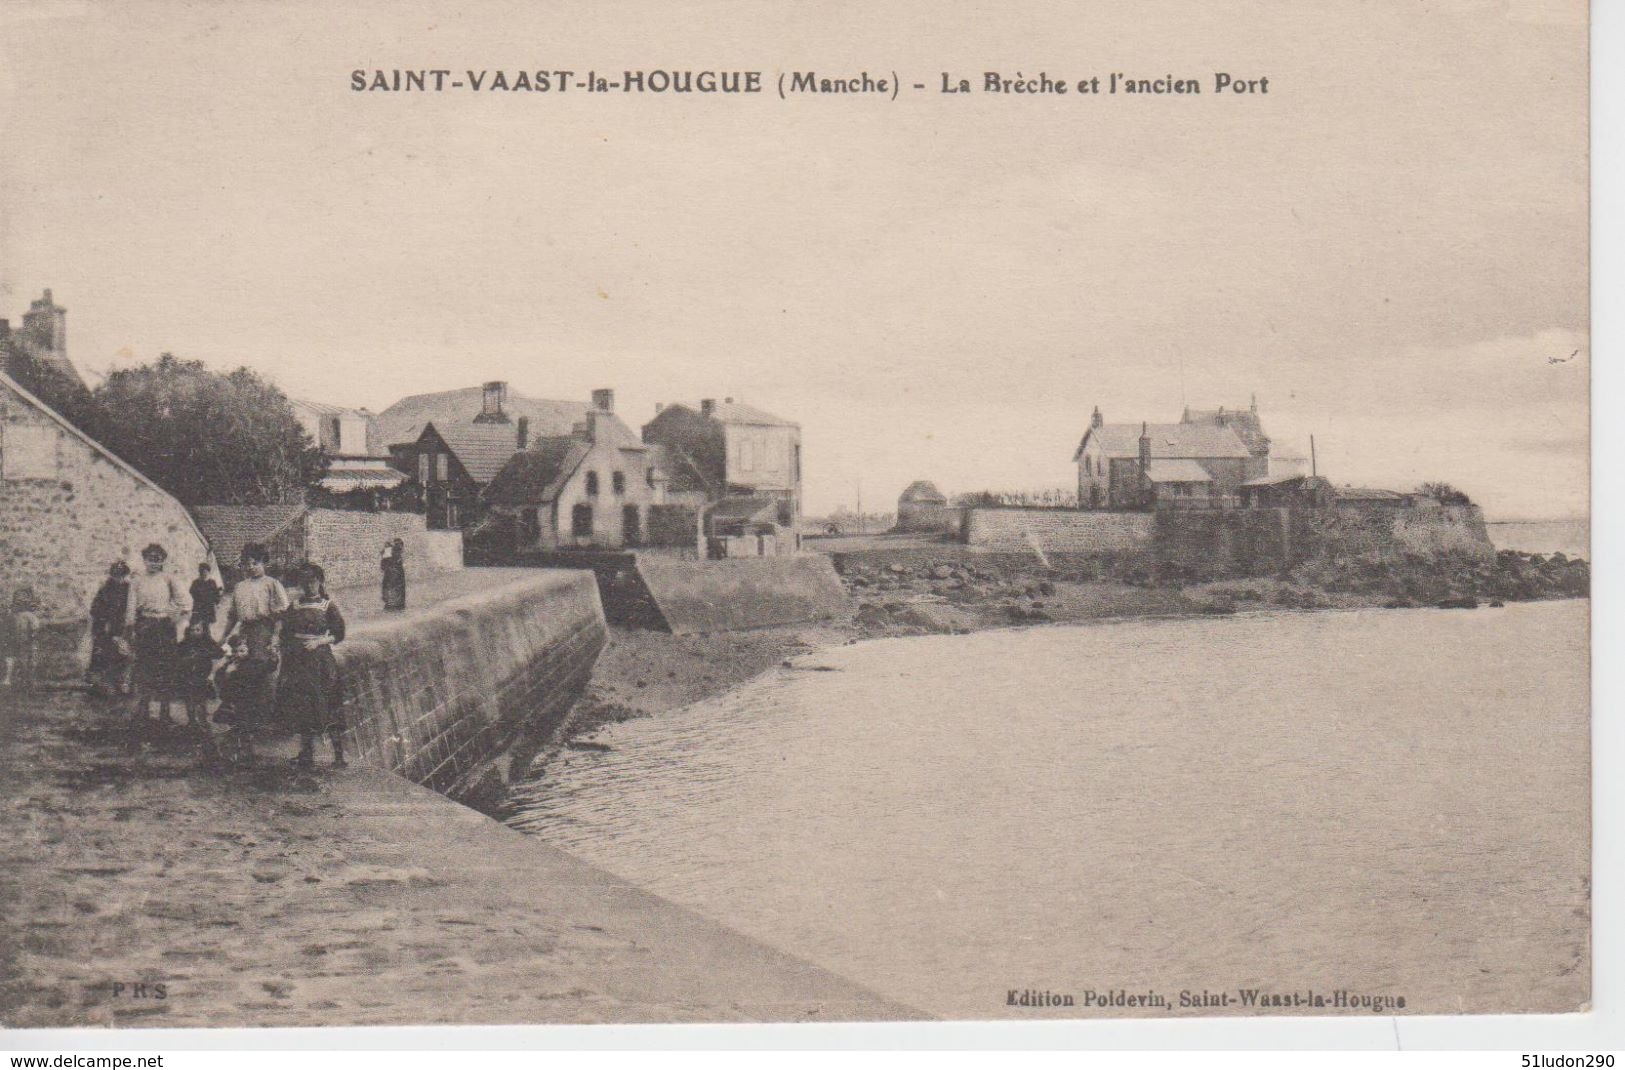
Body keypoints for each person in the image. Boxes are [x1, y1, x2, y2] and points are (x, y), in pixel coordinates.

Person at [217, 542, 288, 763]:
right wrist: (222, 638)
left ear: (263, 563)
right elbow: (232, 616)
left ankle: (252, 726)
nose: (251, 567)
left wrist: (275, 638)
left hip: (264, 633)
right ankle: (238, 721)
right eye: (247, 564)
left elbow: (281, 615)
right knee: (230, 672)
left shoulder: (272, 584)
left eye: (255, 563)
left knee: (257, 676)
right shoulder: (240, 587)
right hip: (246, 634)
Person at [277, 562, 348, 769]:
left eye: (313, 581)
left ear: (320, 582)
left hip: (320, 662)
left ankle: (338, 755)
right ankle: (306, 753)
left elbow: (339, 633)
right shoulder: (295, 606)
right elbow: (285, 633)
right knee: (303, 706)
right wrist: (286, 650)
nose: (309, 586)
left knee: (328, 703)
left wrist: (319, 642)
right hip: (299, 661)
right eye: (305, 582)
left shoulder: (328, 606)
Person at [124, 544, 189, 723]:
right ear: (144, 560)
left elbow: (185, 602)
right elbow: (131, 607)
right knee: (144, 667)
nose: (154, 562)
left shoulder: (169, 578)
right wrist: (130, 628)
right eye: (150, 559)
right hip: (145, 626)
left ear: (163, 561)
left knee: (166, 668)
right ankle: (143, 707)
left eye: (158, 559)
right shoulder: (137, 581)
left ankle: (165, 710)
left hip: (164, 627)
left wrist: (171, 616)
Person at [87, 562, 133, 697]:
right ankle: (101, 684)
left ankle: (121, 683)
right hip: (105, 629)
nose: (118, 578)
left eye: (122, 575)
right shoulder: (105, 589)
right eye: (116, 575)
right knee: (103, 656)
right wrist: (103, 623)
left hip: (121, 628)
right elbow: (95, 608)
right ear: (112, 575)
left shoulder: (129, 590)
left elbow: (131, 609)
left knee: (122, 656)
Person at [174, 619, 223, 747]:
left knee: (201, 700)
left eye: (198, 630)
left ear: (204, 631)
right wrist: (185, 660)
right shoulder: (185, 644)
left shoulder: (207, 643)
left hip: (202, 677)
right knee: (189, 700)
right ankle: (192, 722)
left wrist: (207, 656)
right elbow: (177, 656)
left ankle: (203, 722)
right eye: (192, 630)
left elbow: (219, 653)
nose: (195, 633)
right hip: (187, 677)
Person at [1, 587, 40, 691]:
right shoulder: (12, 616)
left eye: (22, 601)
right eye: (17, 601)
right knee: (12, 657)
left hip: (25, 640)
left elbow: (35, 629)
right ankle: (11, 678)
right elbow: (7, 627)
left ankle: (27, 680)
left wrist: (32, 637)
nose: (19, 603)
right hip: (16, 639)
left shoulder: (29, 616)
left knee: (26, 660)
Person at [189, 563, 223, 629]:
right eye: (202, 572)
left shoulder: (212, 582)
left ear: (208, 572)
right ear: (199, 572)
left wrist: (217, 602)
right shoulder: (196, 582)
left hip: (208, 607)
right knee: (196, 624)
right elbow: (191, 592)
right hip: (198, 607)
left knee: (207, 625)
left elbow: (216, 593)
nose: (204, 574)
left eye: (205, 572)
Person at [380, 538, 406, 611]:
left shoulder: (390, 551)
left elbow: (383, 564)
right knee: (394, 588)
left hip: (393, 573)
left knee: (392, 588)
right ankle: (395, 605)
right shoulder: (392, 551)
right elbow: (384, 564)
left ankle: (393, 605)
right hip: (394, 573)